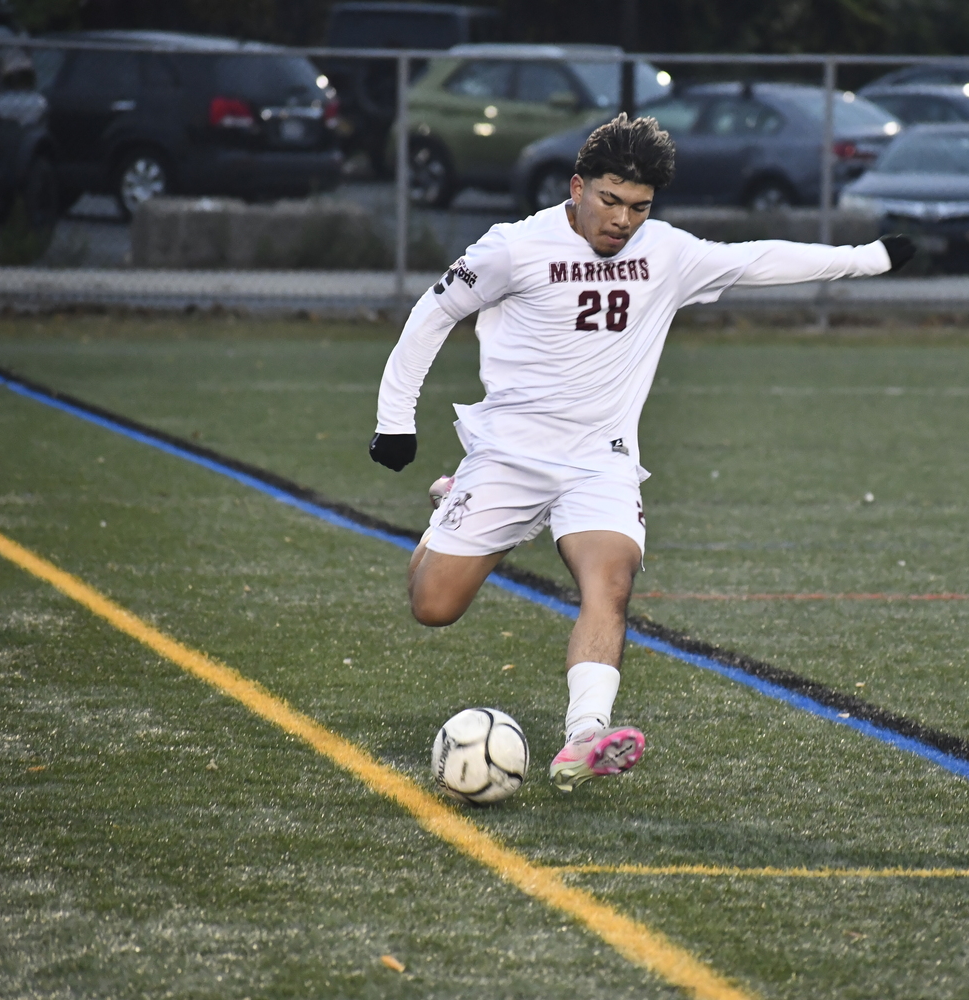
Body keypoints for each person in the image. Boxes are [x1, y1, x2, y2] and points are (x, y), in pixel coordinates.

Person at [369, 113, 914, 791]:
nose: (622, 220)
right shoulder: (512, 248)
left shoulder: (666, 253)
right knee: (433, 605)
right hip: (508, 457)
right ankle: (452, 503)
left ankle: (585, 738)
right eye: (609, 200)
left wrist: (869, 258)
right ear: (576, 187)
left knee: (611, 583)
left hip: (601, 458)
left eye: (638, 207)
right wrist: (396, 422)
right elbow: (432, 314)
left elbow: (757, 259)